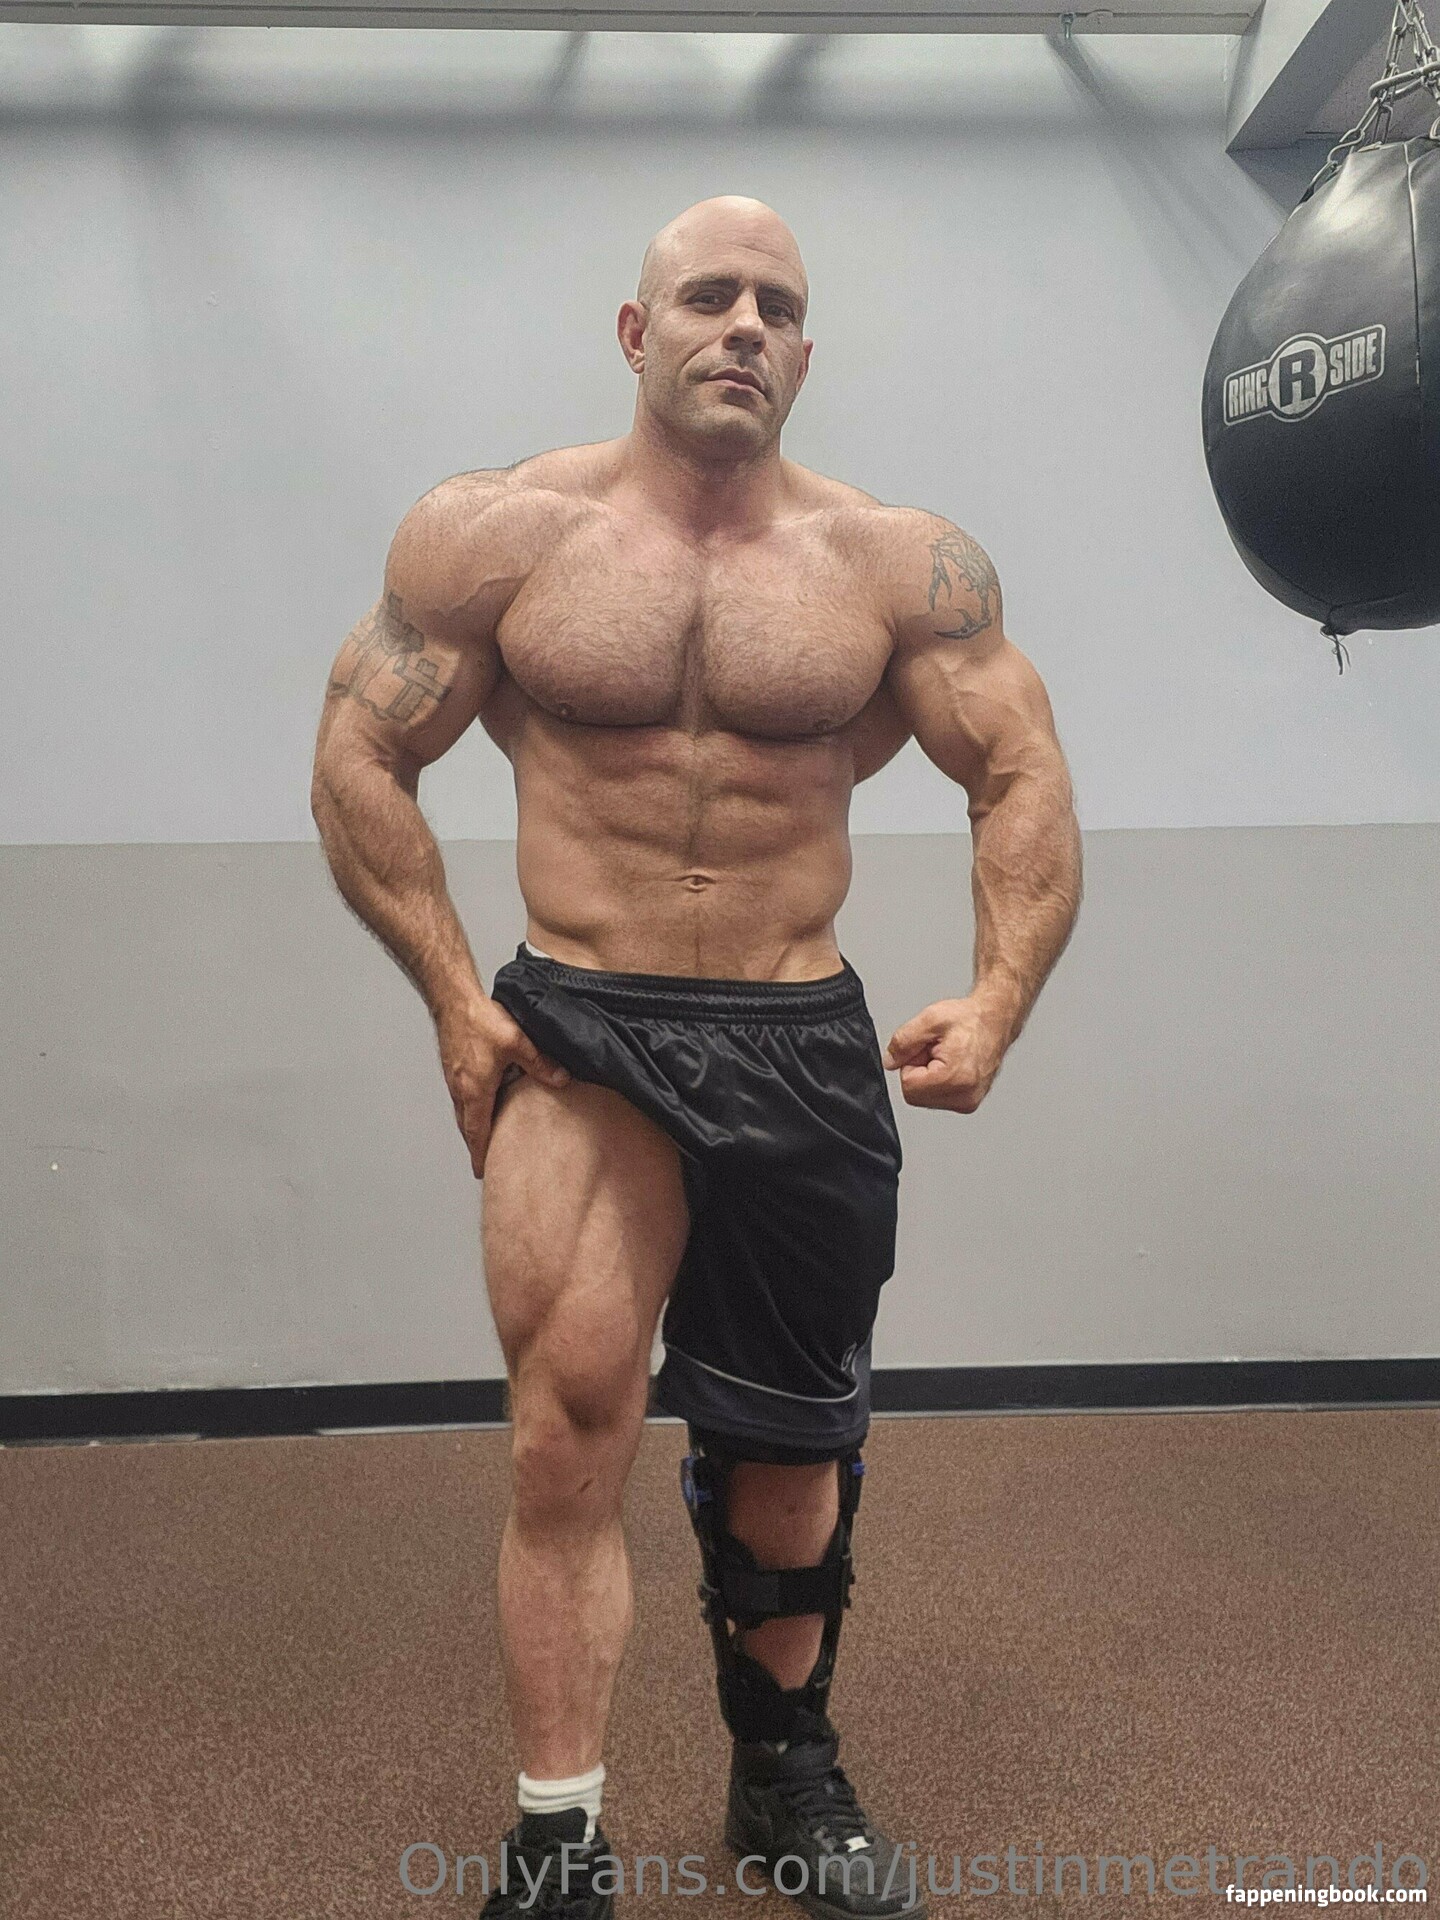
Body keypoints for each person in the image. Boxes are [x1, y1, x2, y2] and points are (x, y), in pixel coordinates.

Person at [311, 195, 1082, 1920]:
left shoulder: (894, 563)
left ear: (806, 352)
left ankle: (781, 1776)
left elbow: (1019, 767)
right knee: (566, 1431)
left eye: (778, 306)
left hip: (798, 1036)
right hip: (585, 1028)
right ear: (635, 330)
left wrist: (1001, 993)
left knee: (790, 1447)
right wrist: (452, 992)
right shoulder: (496, 536)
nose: (744, 325)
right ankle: (556, 1837)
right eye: (709, 295)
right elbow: (359, 751)